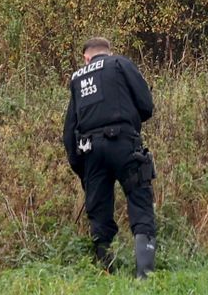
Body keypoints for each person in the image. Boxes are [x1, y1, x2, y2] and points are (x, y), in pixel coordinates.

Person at [62, 36, 157, 277]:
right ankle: (144, 275)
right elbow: (146, 105)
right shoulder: (120, 64)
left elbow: (69, 131)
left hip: (91, 150)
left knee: (99, 211)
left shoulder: (76, 79)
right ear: (108, 51)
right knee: (140, 202)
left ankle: (105, 272)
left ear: (86, 58)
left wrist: (81, 168)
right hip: (124, 144)